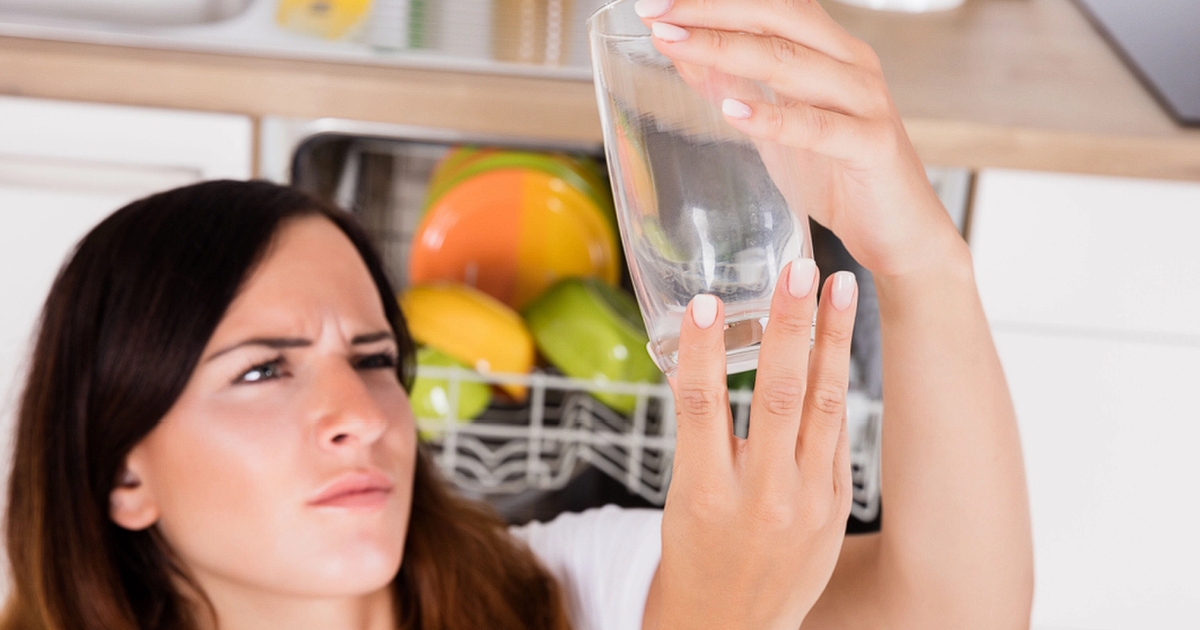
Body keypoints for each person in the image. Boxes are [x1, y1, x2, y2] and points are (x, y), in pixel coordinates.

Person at [2, 1, 1033, 629]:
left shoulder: (552, 590)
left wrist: (923, 263)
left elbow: (950, 617)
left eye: (372, 357)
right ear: (121, 471)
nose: (361, 412)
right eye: (264, 369)